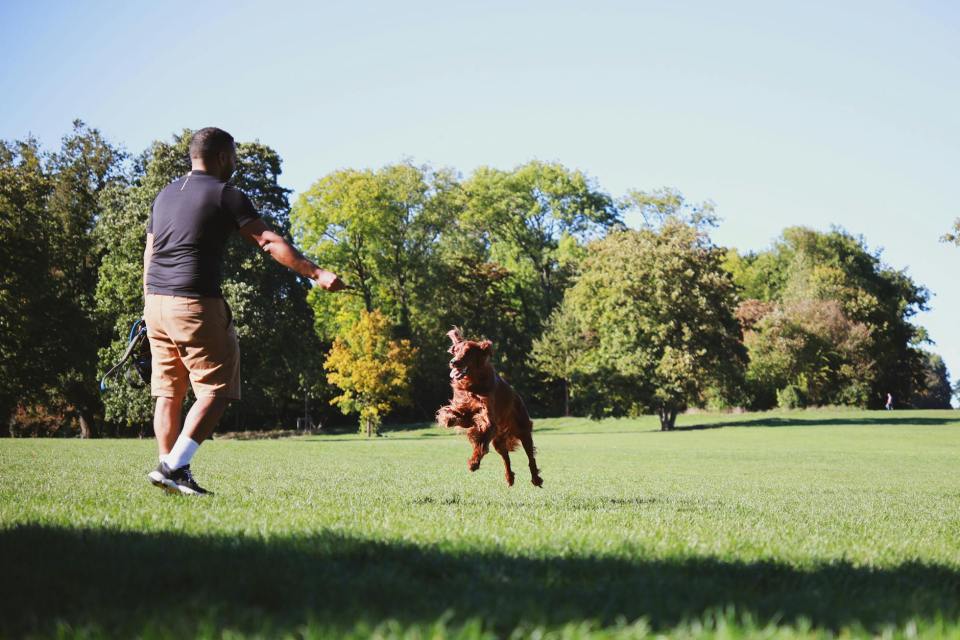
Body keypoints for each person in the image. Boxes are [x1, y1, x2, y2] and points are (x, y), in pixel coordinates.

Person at [143, 127, 344, 495]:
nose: (235, 163)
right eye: (233, 155)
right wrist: (316, 273)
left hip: (155, 302)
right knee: (217, 389)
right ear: (221, 156)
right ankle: (172, 466)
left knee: (168, 393)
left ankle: (171, 471)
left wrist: (148, 303)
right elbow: (267, 241)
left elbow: (151, 252)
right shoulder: (226, 194)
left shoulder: (165, 194)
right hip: (195, 302)